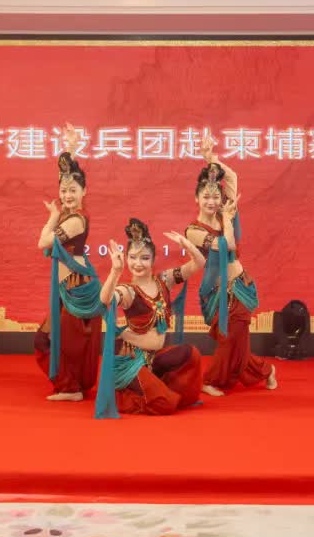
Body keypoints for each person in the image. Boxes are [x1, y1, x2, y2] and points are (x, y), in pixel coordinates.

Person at [184, 132, 276, 397]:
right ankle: (265, 370)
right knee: (235, 340)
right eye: (206, 196)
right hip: (215, 292)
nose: (212, 201)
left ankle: (212, 380)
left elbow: (232, 177)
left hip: (239, 287)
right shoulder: (193, 230)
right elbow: (226, 246)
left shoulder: (226, 212)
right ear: (196, 198)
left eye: (216, 196)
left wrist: (210, 159)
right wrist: (227, 219)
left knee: (232, 337)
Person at [95, 218, 205, 417]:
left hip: (155, 357)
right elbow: (106, 299)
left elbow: (199, 263)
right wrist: (115, 271)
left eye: (144, 258)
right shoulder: (128, 291)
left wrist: (187, 245)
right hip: (131, 359)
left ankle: (157, 385)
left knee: (191, 354)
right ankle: (120, 396)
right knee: (166, 404)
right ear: (126, 259)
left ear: (153, 260)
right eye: (132, 257)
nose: (138, 263)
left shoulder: (164, 280)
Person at [33, 126, 103, 402]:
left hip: (77, 289)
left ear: (85, 191)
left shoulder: (76, 220)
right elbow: (65, 173)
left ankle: (72, 388)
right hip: (66, 288)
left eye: (73, 190)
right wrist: (71, 148)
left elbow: (43, 242)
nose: (67, 195)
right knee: (46, 339)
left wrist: (52, 217)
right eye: (63, 190)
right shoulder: (68, 212)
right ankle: (70, 384)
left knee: (63, 342)